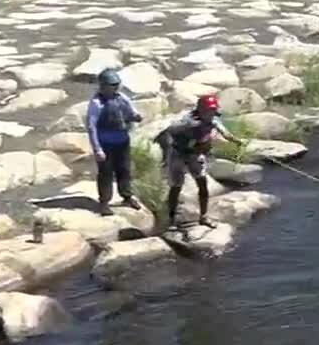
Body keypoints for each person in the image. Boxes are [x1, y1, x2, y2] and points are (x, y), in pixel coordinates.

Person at [156, 95, 243, 229]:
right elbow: (168, 132)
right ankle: (172, 220)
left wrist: (237, 141)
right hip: (178, 154)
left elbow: (224, 132)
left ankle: (204, 217)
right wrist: (165, 151)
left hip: (196, 155)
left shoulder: (214, 120)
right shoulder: (187, 121)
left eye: (213, 111)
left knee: (203, 184)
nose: (211, 113)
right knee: (176, 187)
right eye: (208, 111)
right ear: (201, 109)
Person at [85, 68, 144, 216]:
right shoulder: (96, 103)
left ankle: (127, 197)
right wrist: (97, 149)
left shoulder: (122, 98)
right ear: (103, 86)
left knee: (124, 170)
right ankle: (104, 202)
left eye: (117, 84)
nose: (116, 87)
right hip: (105, 144)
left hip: (122, 141)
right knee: (106, 173)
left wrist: (136, 117)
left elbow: (131, 113)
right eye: (112, 85)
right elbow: (91, 127)